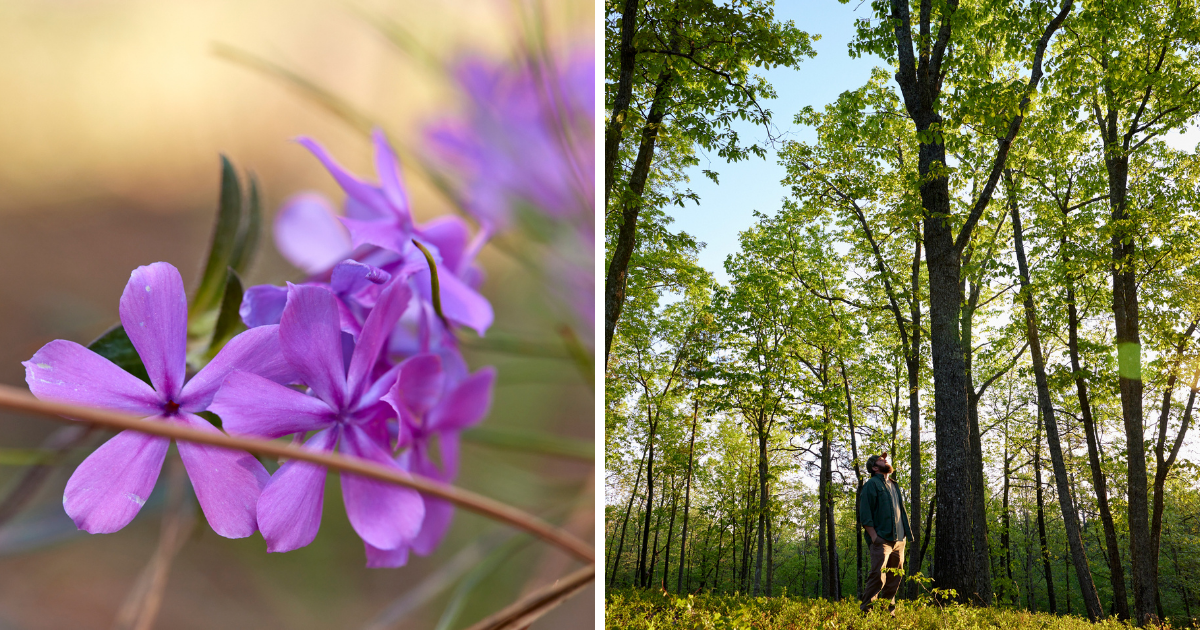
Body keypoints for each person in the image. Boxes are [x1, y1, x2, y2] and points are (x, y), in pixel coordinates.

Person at [858, 452, 912, 615]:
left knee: (895, 578)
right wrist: (874, 537)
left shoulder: (894, 484)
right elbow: (865, 514)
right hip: (882, 540)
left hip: (899, 541)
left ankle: (888, 613)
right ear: (875, 468)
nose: (885, 459)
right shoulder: (871, 485)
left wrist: (904, 536)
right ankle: (866, 614)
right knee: (877, 577)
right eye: (881, 460)